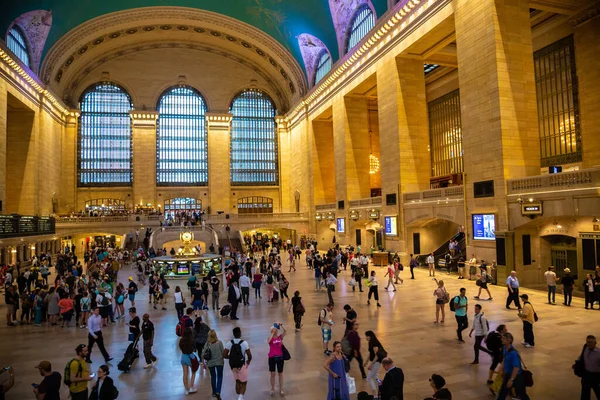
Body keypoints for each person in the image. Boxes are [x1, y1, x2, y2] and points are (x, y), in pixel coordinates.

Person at [496, 332, 530, 400]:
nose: (501, 340)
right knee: (502, 393)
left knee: (522, 395)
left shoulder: (513, 353)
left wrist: (511, 380)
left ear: (509, 340)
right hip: (508, 375)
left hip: (517, 377)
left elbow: (516, 368)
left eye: (503, 338)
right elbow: (504, 359)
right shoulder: (505, 348)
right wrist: (502, 370)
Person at [223, 327, 252, 400]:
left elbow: (224, 355)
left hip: (233, 366)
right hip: (242, 365)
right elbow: (249, 355)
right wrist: (248, 361)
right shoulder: (244, 343)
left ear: (233, 334)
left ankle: (239, 396)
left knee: (237, 381)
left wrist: (232, 357)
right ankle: (240, 397)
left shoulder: (229, 343)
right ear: (240, 333)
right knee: (244, 383)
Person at [575, 335, 600, 400]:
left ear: (595, 343)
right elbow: (581, 356)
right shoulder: (585, 347)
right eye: (587, 342)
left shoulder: (599, 353)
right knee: (585, 394)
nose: (588, 344)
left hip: (596, 376)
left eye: (590, 342)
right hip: (586, 375)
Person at [202, 330, 225, 400]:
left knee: (213, 376)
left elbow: (203, 354)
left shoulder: (207, 344)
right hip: (219, 362)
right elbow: (223, 353)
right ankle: (218, 391)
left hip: (210, 363)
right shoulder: (219, 343)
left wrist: (203, 363)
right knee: (220, 376)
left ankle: (214, 392)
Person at [267, 323, 287, 396]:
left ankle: (281, 389)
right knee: (272, 374)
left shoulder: (280, 337)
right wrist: (272, 333)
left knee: (280, 373)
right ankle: (272, 389)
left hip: (280, 357)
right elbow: (268, 341)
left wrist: (281, 325)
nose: (276, 331)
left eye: (276, 330)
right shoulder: (270, 338)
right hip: (272, 357)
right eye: (274, 330)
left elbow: (285, 331)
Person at [364, 330, 386, 397]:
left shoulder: (374, 343)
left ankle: (375, 394)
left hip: (376, 363)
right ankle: (381, 390)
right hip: (375, 362)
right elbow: (371, 353)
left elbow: (377, 355)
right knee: (375, 377)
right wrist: (366, 361)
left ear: (370, 336)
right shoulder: (371, 342)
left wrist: (371, 364)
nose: (366, 337)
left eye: (367, 336)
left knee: (369, 378)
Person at [485, 324, 507, 388]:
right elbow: (500, 347)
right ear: (502, 330)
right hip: (498, 354)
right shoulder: (498, 337)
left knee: (495, 365)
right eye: (505, 328)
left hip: (496, 353)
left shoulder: (495, 334)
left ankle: (490, 379)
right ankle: (499, 379)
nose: (506, 329)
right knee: (501, 365)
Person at [179, 327, 198, 395]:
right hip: (190, 357)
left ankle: (186, 389)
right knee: (193, 372)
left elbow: (180, 348)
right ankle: (191, 387)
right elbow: (194, 349)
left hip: (183, 357)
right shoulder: (192, 340)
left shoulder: (181, 340)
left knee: (185, 374)